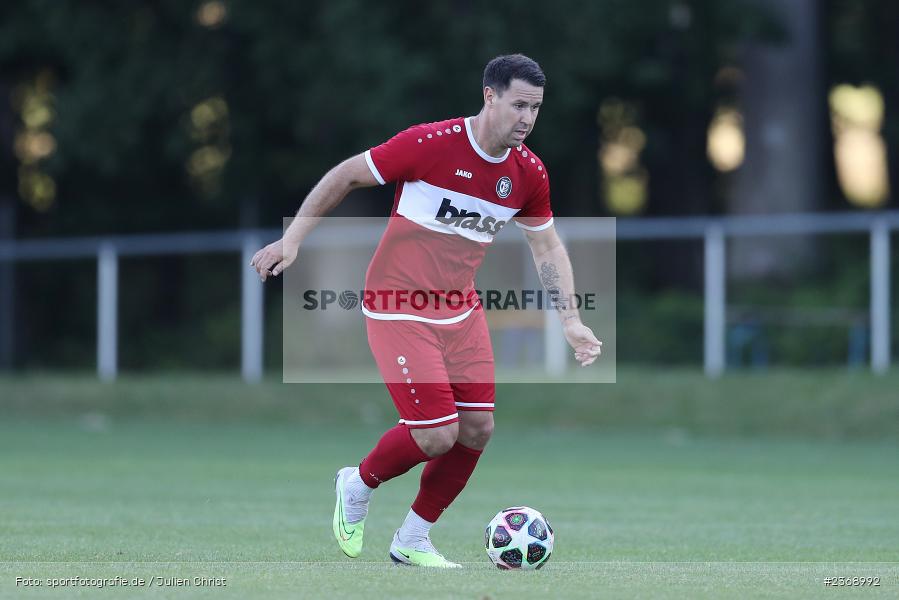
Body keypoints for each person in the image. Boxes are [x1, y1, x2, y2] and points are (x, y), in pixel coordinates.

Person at [250, 54, 602, 568]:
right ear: (490, 96)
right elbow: (347, 175)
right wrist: (293, 239)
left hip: (459, 310)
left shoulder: (528, 174)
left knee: (478, 429)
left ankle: (412, 540)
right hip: (398, 304)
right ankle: (357, 484)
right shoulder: (428, 145)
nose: (527, 118)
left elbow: (547, 248)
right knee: (438, 434)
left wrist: (570, 320)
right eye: (518, 104)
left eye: (536, 108)